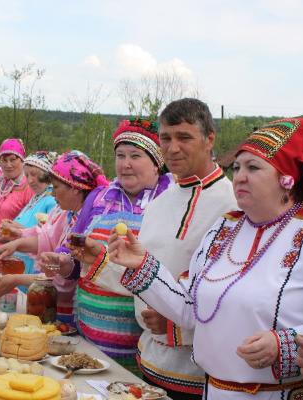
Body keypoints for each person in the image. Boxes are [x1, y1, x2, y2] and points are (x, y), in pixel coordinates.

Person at [108, 118, 303, 399]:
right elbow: (189, 309)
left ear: (287, 179)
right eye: (237, 167)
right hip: (214, 391)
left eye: (253, 167)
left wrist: (287, 344)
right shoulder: (224, 229)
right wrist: (142, 264)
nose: (240, 176)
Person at [75, 99, 236, 398]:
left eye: (184, 137)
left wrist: (178, 325)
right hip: (147, 365)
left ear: (209, 138)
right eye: (166, 138)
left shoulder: (233, 206)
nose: (172, 148)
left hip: (197, 376)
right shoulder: (159, 203)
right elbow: (147, 279)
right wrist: (100, 262)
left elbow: (238, 299)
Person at [54, 118, 173, 375]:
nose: (125, 163)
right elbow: (73, 249)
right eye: (120, 155)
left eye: (135, 155)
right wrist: (64, 262)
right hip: (90, 334)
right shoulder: (99, 197)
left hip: (144, 341)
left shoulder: (171, 199)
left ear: (157, 162)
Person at [0, 151, 99, 300]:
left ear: (75, 188)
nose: (52, 194)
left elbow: (64, 279)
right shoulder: (68, 214)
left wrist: (16, 279)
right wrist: (16, 243)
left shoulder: (89, 222)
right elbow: (46, 238)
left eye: (56, 187)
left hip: (70, 305)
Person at [0, 138, 34, 245]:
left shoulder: (29, 186)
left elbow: (32, 226)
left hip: (14, 251)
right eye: (4, 160)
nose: (8, 165)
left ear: (22, 160)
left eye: (13, 159)